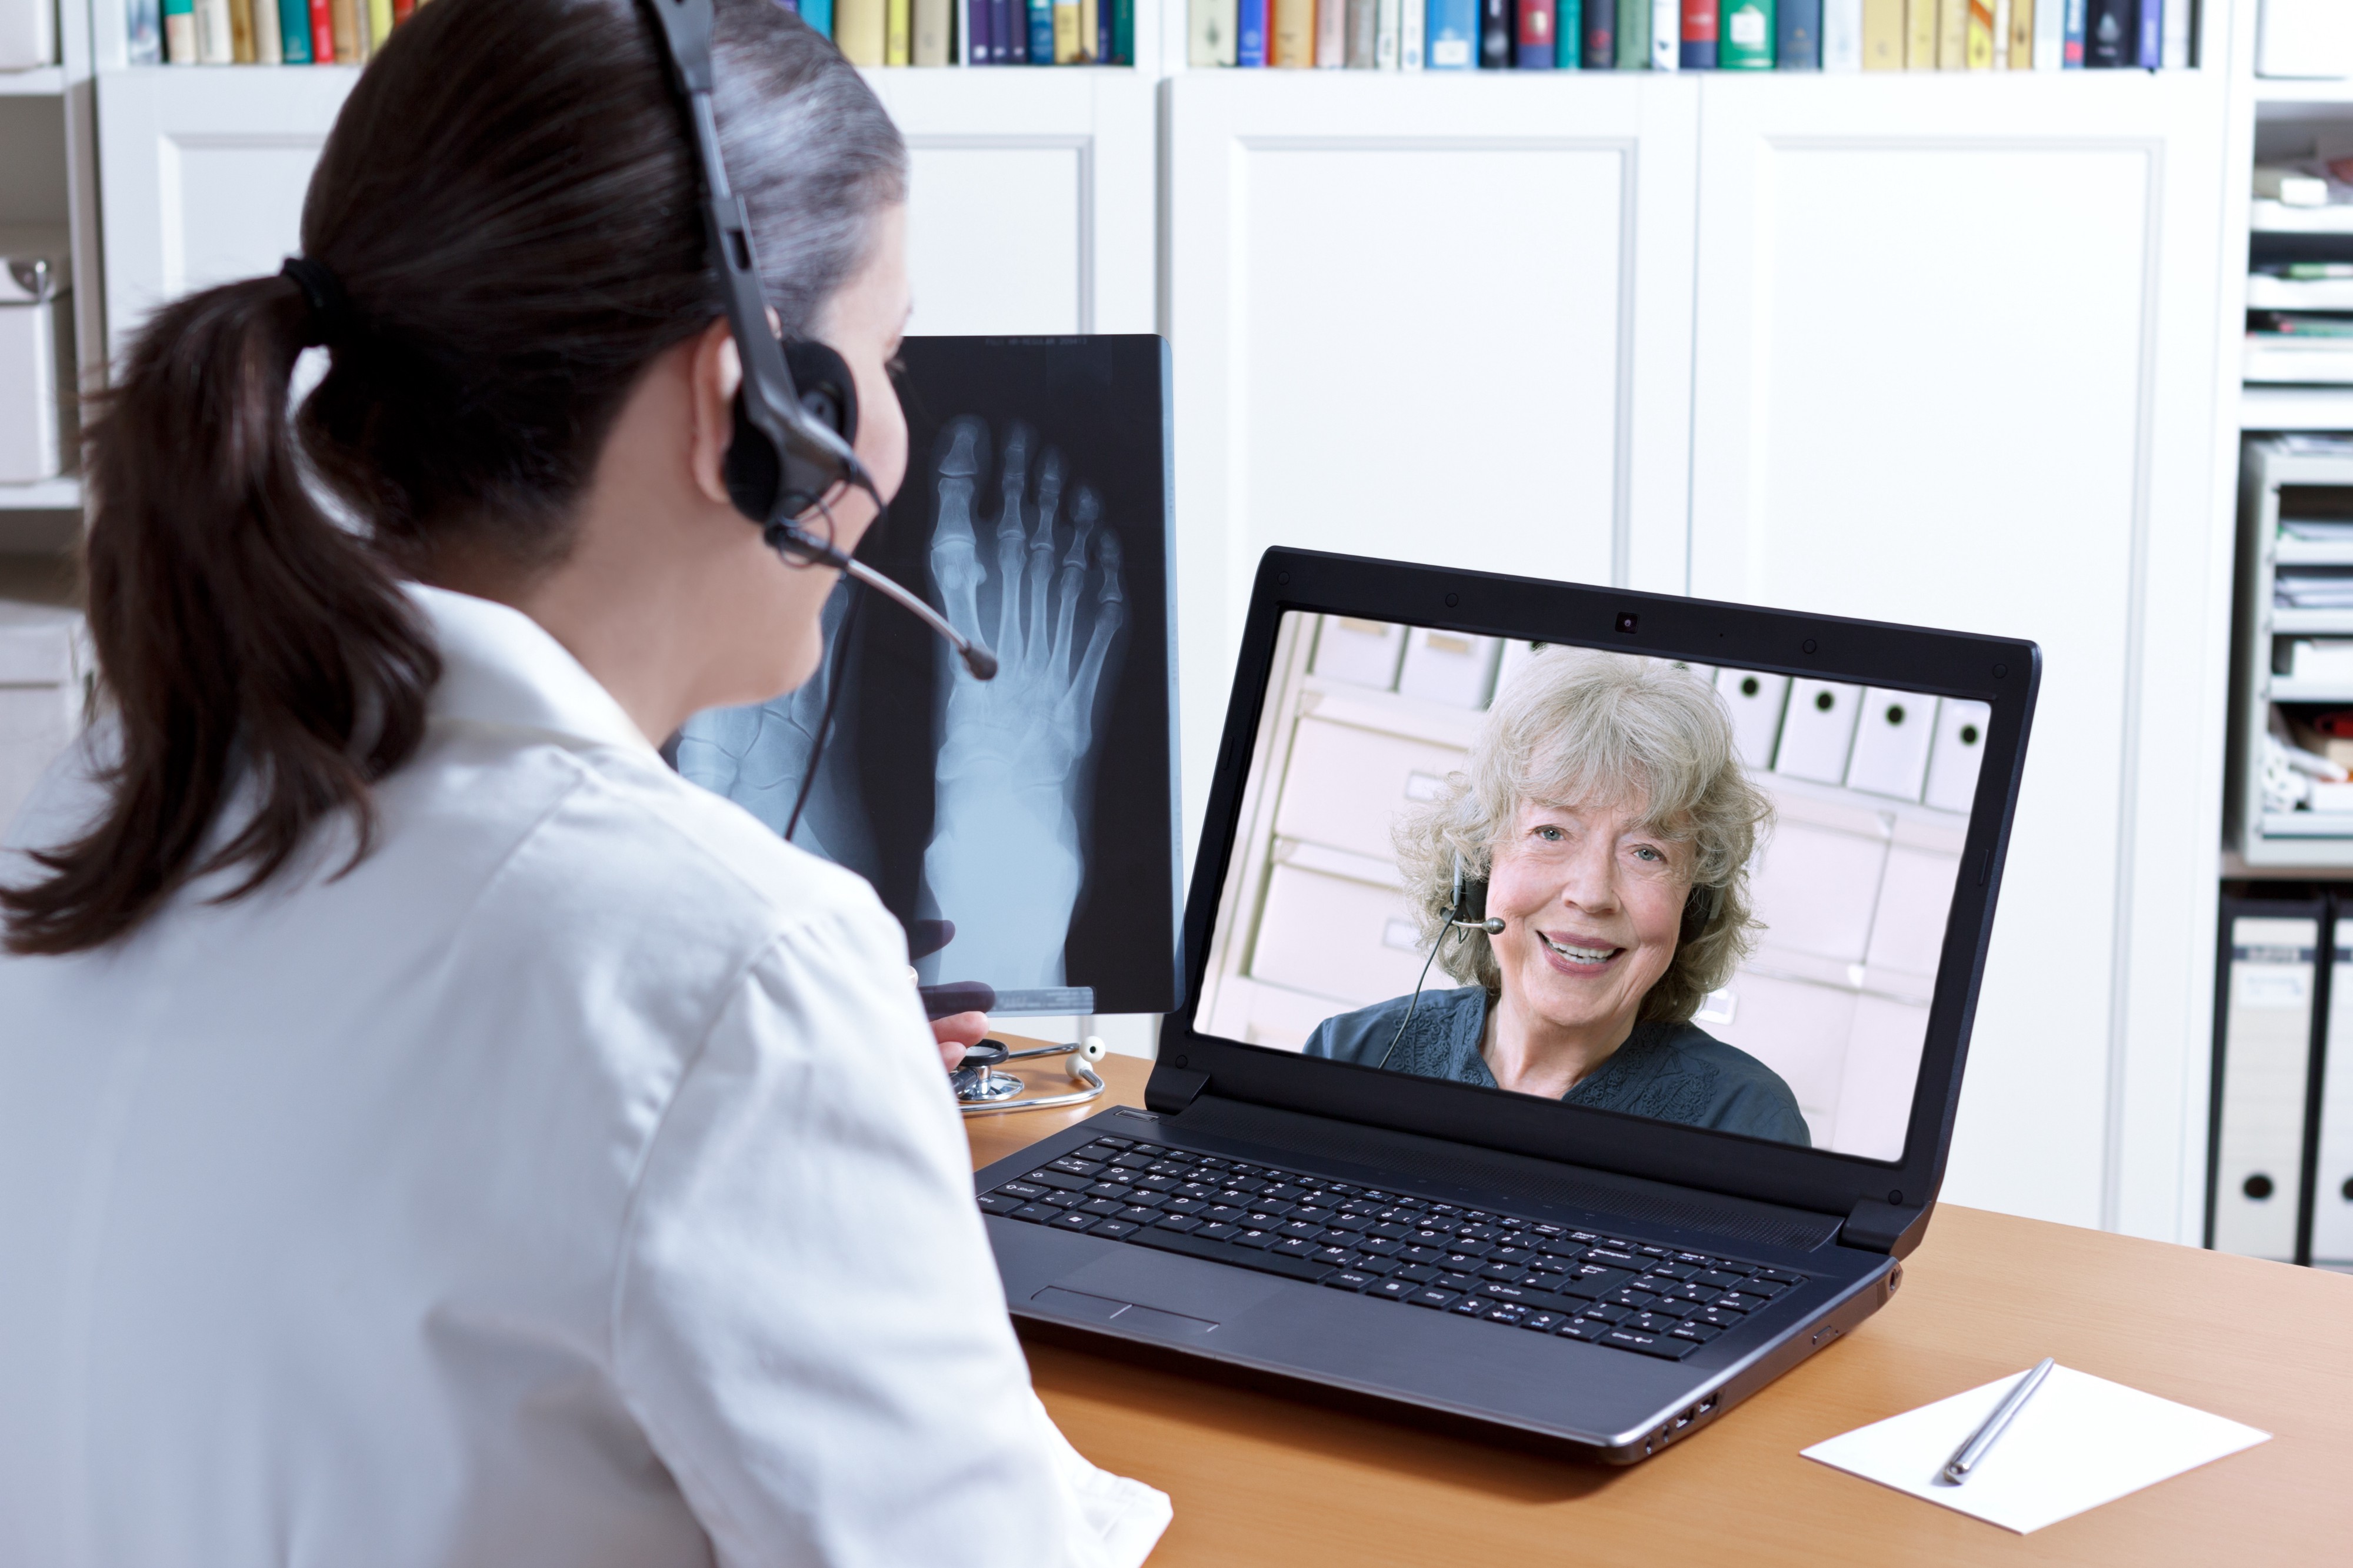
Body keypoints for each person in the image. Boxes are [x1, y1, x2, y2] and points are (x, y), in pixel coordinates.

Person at [0, 1, 1169, 1563]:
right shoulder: (733, 971)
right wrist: (787, 1072)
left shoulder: (102, 793)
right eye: (888, 356)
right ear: (745, 414)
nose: (896, 424)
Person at [1304, 648, 1810, 1146]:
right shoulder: (1355, 1054)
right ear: (1477, 868)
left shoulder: (1745, 1122)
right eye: (1551, 833)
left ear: (1695, 905)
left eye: (1646, 853)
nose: (1592, 895)